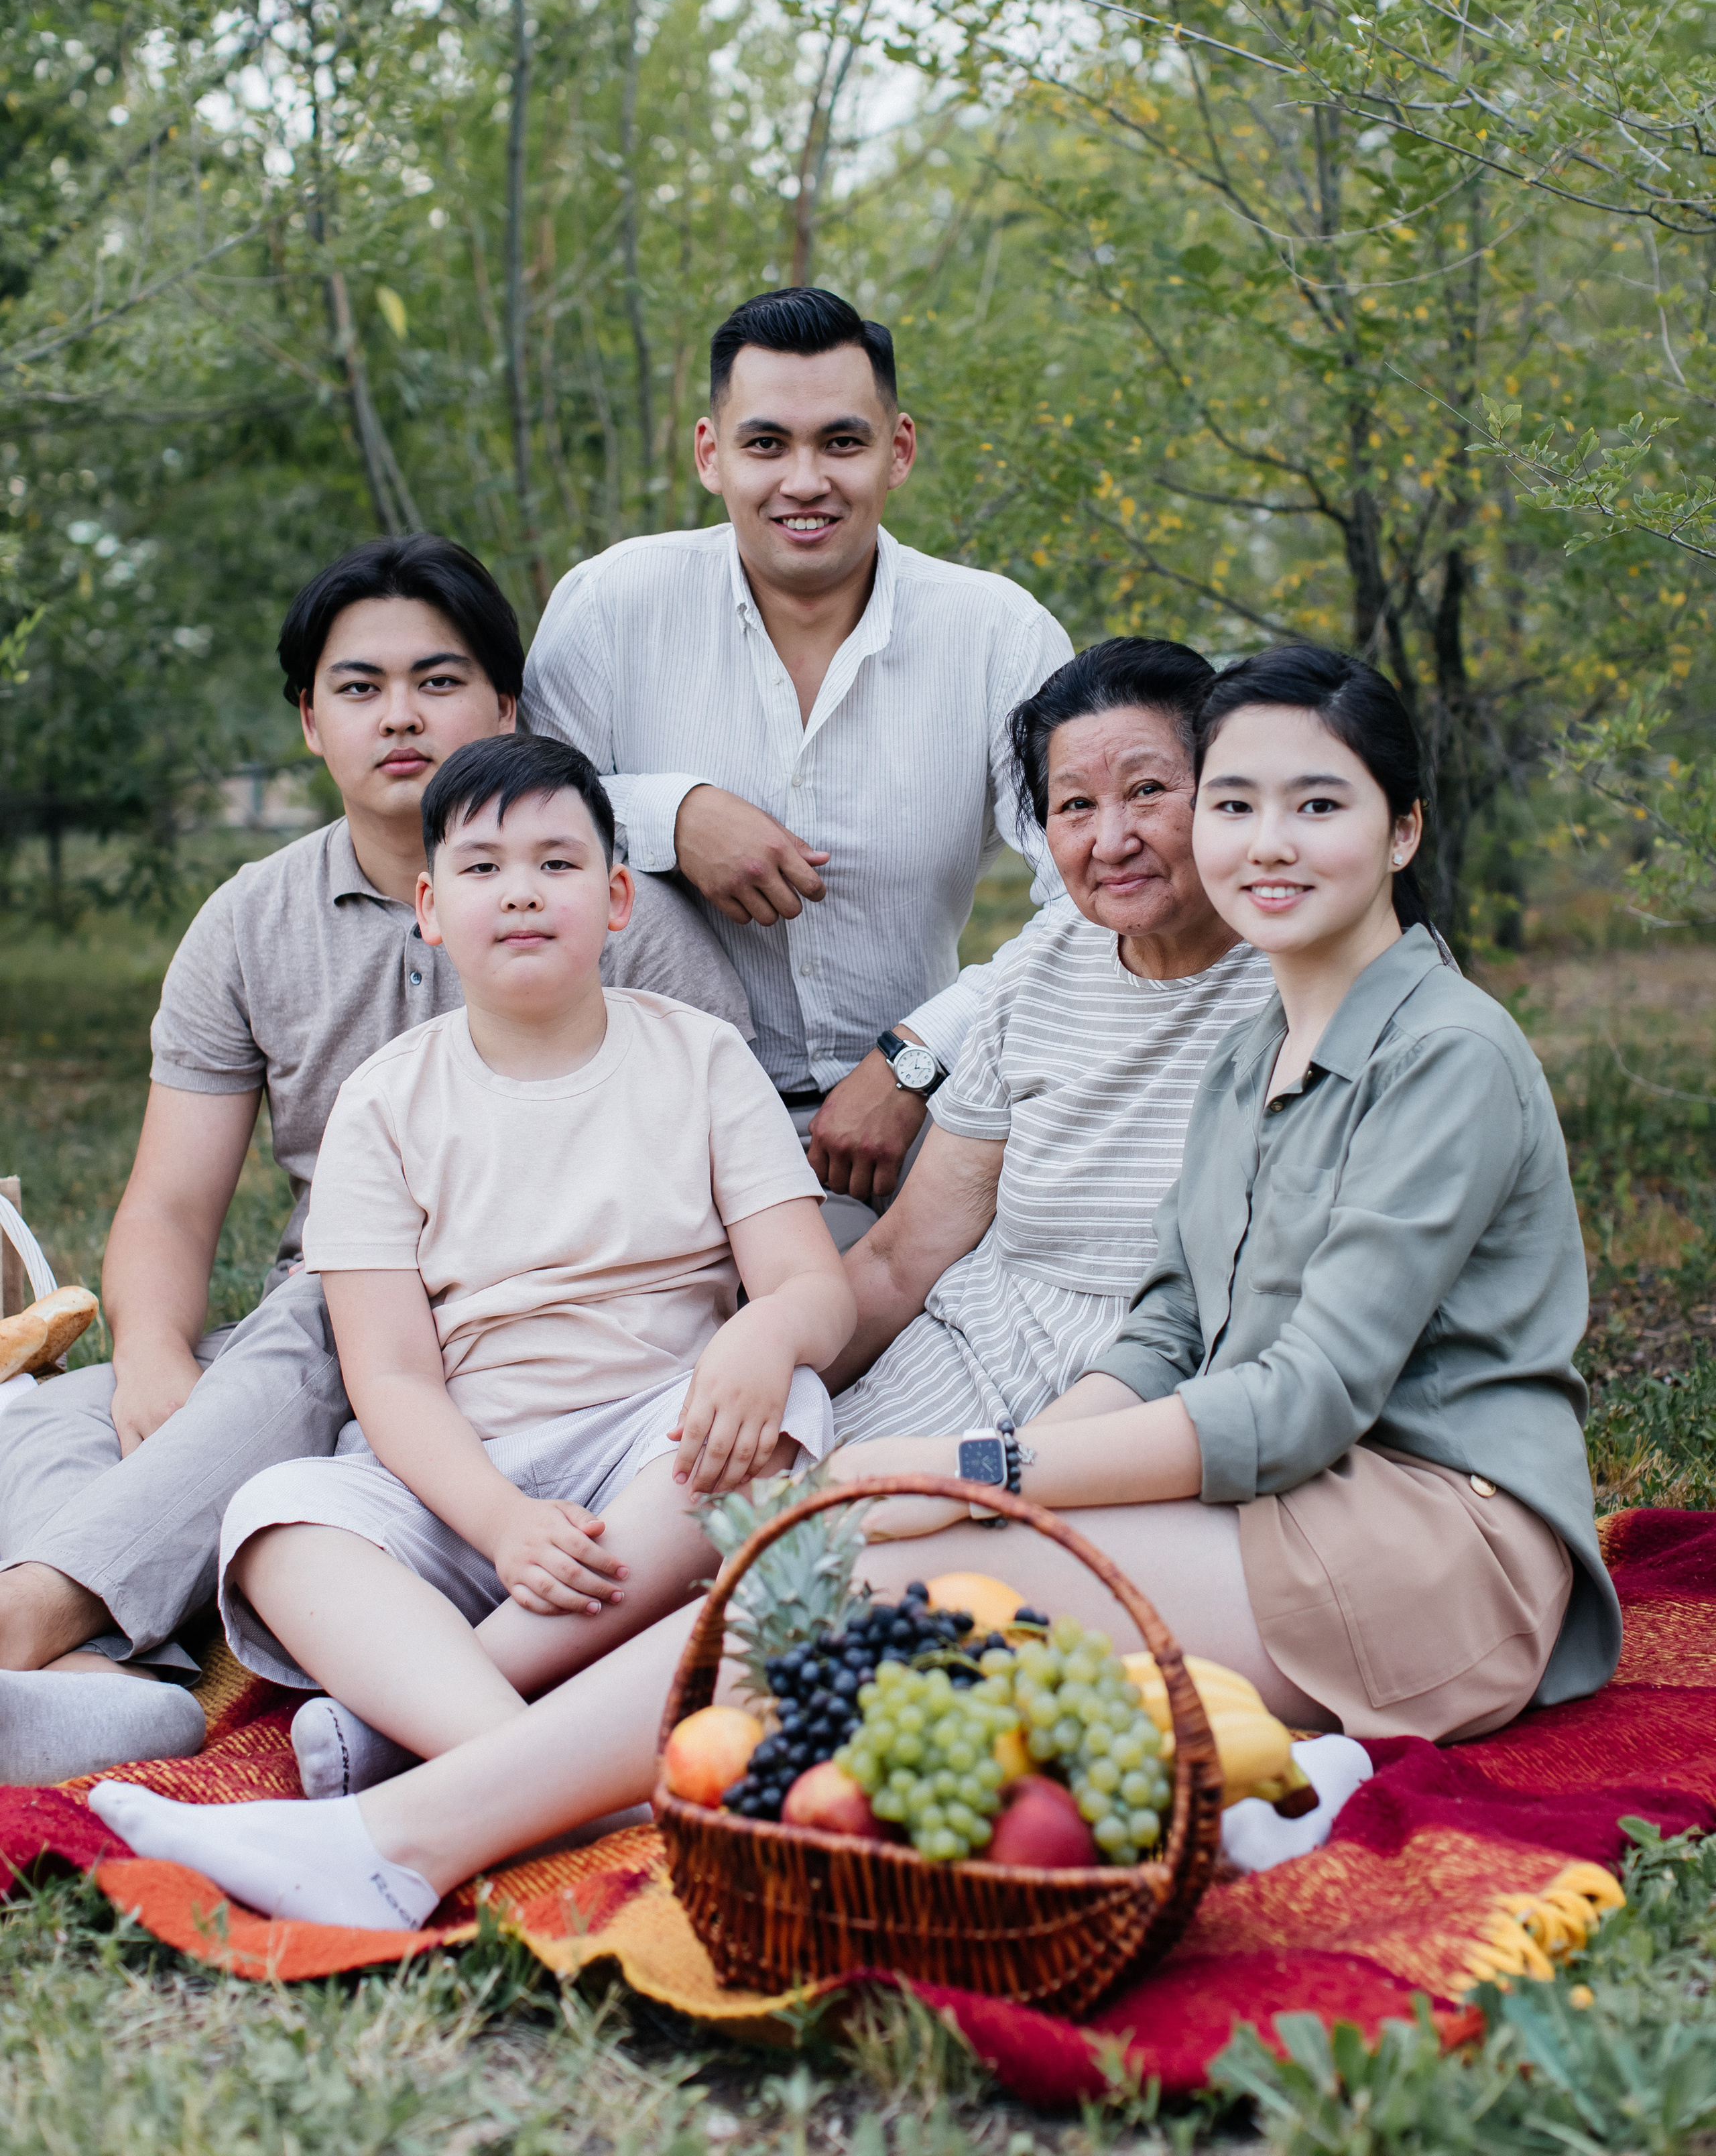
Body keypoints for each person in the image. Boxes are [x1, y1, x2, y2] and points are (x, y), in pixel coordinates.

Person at [89, 646, 1623, 1926]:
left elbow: (1296, 1398)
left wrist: (991, 1471)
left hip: (1429, 1536)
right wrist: (980, 1478)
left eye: (1313, 806)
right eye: (1236, 802)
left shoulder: (1436, 1052)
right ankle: (1230, 1785)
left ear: (1403, 831)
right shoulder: (1265, 1030)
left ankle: (404, 1844)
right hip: (1277, 1498)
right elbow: (1169, 1317)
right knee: (848, 1547)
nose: (1257, 840)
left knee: (874, 1582)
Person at [0, 537, 749, 1783]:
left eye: (439, 680)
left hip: (511, 1335)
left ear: (506, 707)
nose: (399, 714)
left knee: (305, 1331)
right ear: (308, 722)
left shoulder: (615, 910)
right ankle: (110, 1688)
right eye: (358, 687)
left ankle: (22, 1627)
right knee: (43, 1416)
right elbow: (173, 1205)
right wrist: (145, 1353)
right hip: (342, 1304)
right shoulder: (251, 919)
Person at [213, 733, 849, 1811]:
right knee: (275, 1519)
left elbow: (814, 1290)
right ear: (429, 906)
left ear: (614, 901)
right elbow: (394, 1377)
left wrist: (768, 1330)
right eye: (482, 868)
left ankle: (417, 1724)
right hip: (461, 1480)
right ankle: (558, 1771)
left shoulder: (699, 1058)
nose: (519, 893)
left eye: (556, 865)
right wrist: (501, 1523)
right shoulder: (384, 1100)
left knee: (783, 1411)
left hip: (651, 1461)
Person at [521, 287, 1076, 1248]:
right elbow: (514, 835)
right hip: (647, 1119)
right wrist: (671, 815)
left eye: (843, 444)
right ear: (710, 453)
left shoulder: (1001, 637)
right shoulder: (613, 607)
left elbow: (1092, 900)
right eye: (767, 444)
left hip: (925, 1123)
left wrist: (920, 1057)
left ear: (898, 451)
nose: (805, 481)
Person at [827, 636, 1275, 1439]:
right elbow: (900, 1261)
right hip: (966, 1363)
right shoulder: (1045, 958)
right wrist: (754, 1389)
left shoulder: (1303, 977)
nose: (1109, 841)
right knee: (742, 1521)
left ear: (1227, 795)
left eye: (1146, 791)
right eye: (1074, 806)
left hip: (1163, 1402)